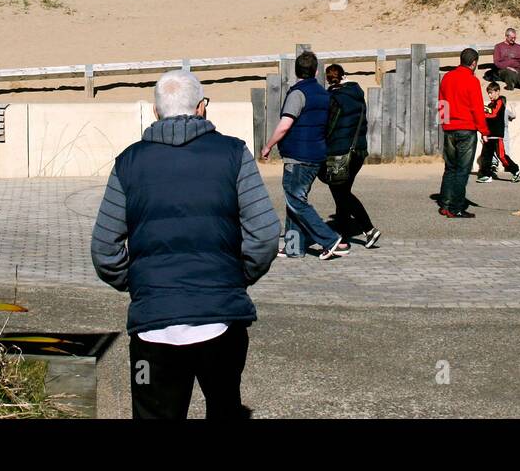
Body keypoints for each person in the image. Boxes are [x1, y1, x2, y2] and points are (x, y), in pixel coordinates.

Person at [90, 69, 280, 419]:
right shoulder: (234, 154)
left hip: (152, 327)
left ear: (155, 110)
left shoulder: (128, 162)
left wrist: (142, 285)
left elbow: (105, 250)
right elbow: (266, 234)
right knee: (224, 407)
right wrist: (235, 278)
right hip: (221, 321)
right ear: (202, 107)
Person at [260, 50, 348, 258]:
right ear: (316, 71)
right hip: (317, 155)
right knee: (294, 201)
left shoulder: (298, 94)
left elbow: (284, 125)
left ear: (296, 70)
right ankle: (293, 247)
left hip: (298, 156)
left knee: (297, 201)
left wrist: (268, 145)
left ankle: (330, 239)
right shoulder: (323, 94)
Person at [319, 64, 381, 248]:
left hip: (340, 153)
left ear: (328, 80)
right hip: (359, 151)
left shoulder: (334, 98)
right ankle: (342, 236)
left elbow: (329, 128)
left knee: (341, 193)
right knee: (342, 193)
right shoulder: (357, 94)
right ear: (345, 76)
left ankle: (369, 229)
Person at [436, 48, 489, 218]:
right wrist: (484, 130)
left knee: (450, 168)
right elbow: (477, 108)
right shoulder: (472, 80)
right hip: (466, 129)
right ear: (474, 63)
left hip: (450, 128)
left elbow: (441, 102)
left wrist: (445, 124)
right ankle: (456, 207)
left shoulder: (447, 77)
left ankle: (445, 204)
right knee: (462, 170)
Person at [476, 80, 520, 183]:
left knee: (502, 156)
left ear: (498, 92)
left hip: (497, 136)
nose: (490, 95)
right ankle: (486, 175)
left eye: (491, 93)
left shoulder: (500, 102)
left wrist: (483, 113)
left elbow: (494, 114)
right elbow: (487, 118)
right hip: (489, 135)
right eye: (489, 93)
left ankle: (516, 170)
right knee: (486, 156)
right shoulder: (490, 105)